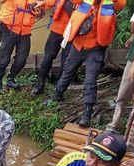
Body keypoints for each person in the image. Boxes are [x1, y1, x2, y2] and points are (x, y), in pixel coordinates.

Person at [50, 0, 126, 128]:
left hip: (95, 48)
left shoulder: (111, 3)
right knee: (68, 71)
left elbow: (121, 4)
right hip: (78, 44)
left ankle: (87, 113)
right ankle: (57, 95)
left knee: (90, 80)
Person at [0, 0, 45, 94]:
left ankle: (11, 79)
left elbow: (43, 8)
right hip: (9, 28)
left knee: (22, 59)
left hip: (25, 31)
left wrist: (39, 13)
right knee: (4, 58)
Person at [31, 0, 76, 96]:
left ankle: (58, 87)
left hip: (72, 32)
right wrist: (42, 4)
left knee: (66, 60)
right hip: (57, 29)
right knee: (49, 56)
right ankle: (40, 83)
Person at [107, 7, 134, 134]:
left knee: (126, 90)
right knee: (124, 91)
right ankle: (115, 124)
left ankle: (126, 131)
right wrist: (133, 35)